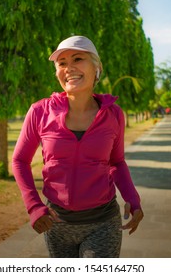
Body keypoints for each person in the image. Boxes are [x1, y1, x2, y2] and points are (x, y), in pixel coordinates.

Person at [12, 35, 143, 258]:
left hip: (103, 222)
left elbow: (116, 162)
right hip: (56, 224)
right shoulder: (40, 111)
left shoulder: (114, 115)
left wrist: (133, 199)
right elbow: (20, 161)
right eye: (62, 63)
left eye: (78, 59)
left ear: (97, 67)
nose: (69, 68)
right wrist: (34, 206)